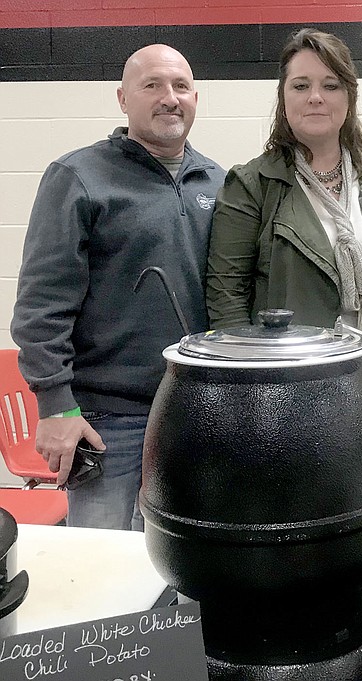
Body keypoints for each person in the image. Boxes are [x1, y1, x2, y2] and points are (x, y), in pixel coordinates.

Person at [11, 44, 226, 530]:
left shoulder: (217, 181)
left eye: (180, 86)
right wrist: (55, 405)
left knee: (184, 569)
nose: (169, 98)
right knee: (103, 575)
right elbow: (41, 305)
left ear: (196, 97)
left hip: (194, 416)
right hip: (108, 423)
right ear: (122, 98)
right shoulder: (79, 177)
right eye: (151, 85)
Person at [206, 28, 362, 437]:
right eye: (301, 85)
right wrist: (247, 391)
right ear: (284, 98)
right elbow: (226, 296)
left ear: (349, 97)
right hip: (287, 395)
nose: (316, 97)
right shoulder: (252, 184)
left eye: (330, 84)